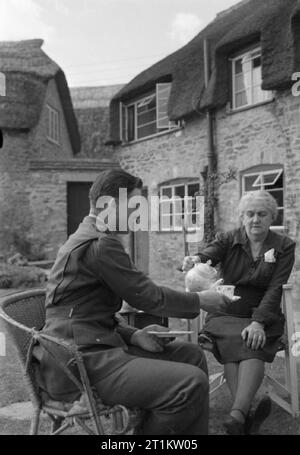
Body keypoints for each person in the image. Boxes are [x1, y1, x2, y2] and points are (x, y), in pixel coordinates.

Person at [33, 169, 237, 435]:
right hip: (79, 364)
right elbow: (148, 297)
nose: (138, 215)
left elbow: (87, 314)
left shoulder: (89, 236)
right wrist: (200, 299)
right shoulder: (101, 243)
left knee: (191, 355)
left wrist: (133, 335)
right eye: (134, 206)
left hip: (88, 350)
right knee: (191, 382)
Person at [182, 190, 295, 435]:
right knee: (239, 341)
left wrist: (258, 322)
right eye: (250, 214)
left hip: (263, 314)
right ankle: (242, 416)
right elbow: (207, 255)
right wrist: (196, 259)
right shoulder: (228, 239)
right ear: (242, 216)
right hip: (225, 312)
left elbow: (275, 289)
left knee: (251, 339)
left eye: (262, 214)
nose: (256, 219)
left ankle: (238, 418)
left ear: (272, 217)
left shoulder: (284, 246)